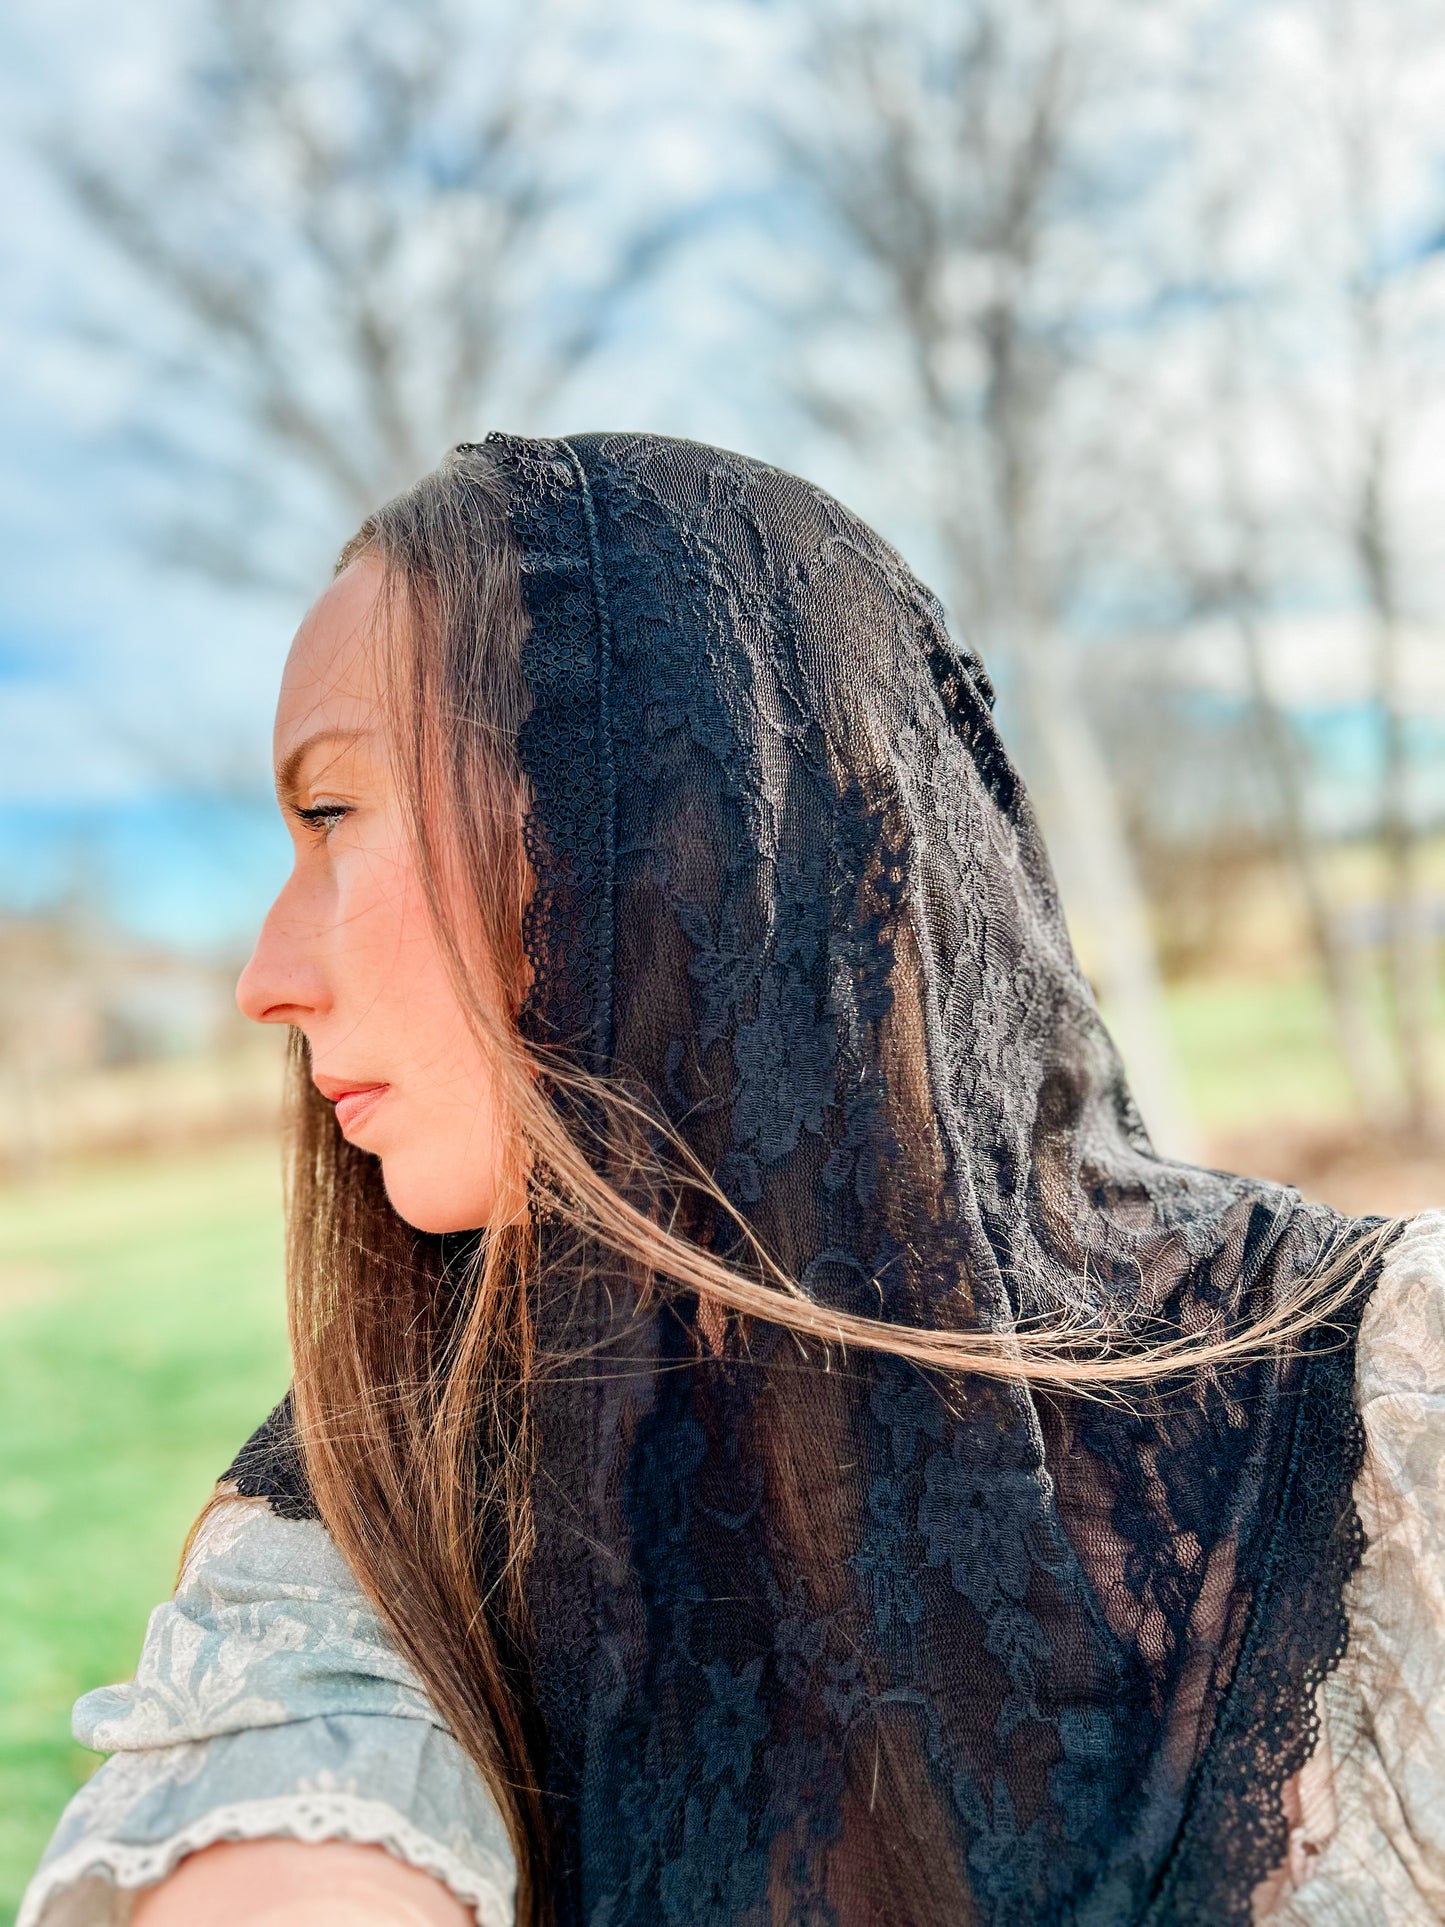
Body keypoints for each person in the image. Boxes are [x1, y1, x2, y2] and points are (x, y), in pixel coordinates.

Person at [19, 434, 1445, 1927]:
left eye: (329, 817)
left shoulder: (1382, 1389)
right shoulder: (374, 1512)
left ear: (671, 836)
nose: (263, 979)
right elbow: (293, 1821)